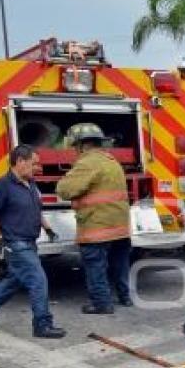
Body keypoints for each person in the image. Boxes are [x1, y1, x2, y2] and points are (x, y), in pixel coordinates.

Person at [0, 145, 65, 338]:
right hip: (16, 244)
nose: (38, 168)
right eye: (34, 163)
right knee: (38, 280)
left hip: (30, 242)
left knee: (13, 282)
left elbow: (36, 210)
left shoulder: (31, 184)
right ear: (20, 161)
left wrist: (48, 228)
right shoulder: (2, 185)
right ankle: (42, 324)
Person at [56, 123, 132, 315]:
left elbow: (65, 190)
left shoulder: (87, 162)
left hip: (97, 227)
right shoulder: (111, 161)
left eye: (75, 146)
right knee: (120, 264)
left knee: (95, 265)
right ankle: (125, 297)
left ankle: (101, 304)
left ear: (82, 145)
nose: (75, 151)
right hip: (120, 227)